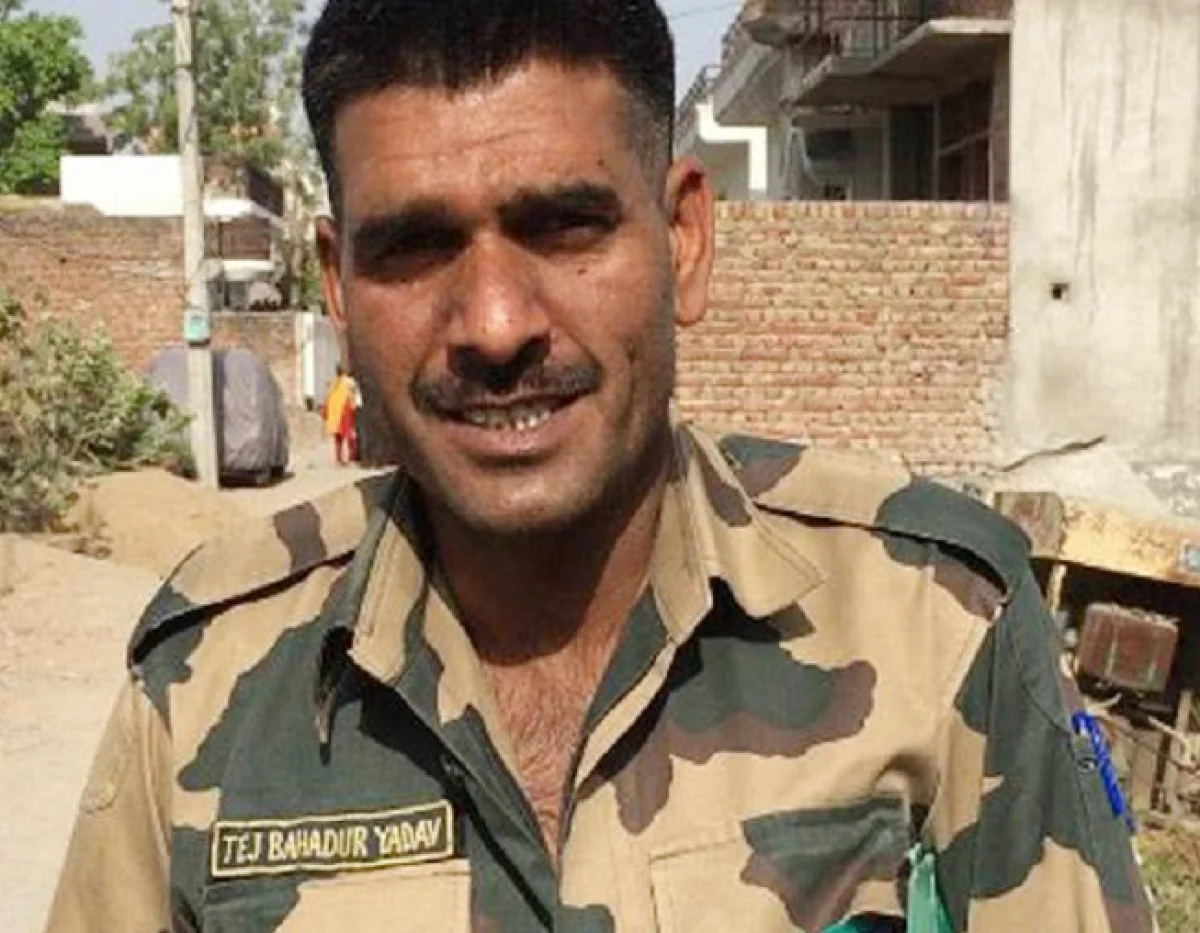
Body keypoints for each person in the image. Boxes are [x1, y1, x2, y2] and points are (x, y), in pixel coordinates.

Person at [47, 2, 1154, 931]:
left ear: (683, 239)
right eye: (416, 247)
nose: (493, 324)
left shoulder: (937, 619)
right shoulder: (206, 682)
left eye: (566, 226)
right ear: (338, 287)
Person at [322, 365, 359, 465]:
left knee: (339, 437)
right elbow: (353, 395)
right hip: (345, 412)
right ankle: (351, 457)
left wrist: (326, 414)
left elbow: (327, 399)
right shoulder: (349, 382)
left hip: (335, 414)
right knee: (349, 435)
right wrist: (355, 406)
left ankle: (339, 459)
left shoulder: (333, 384)